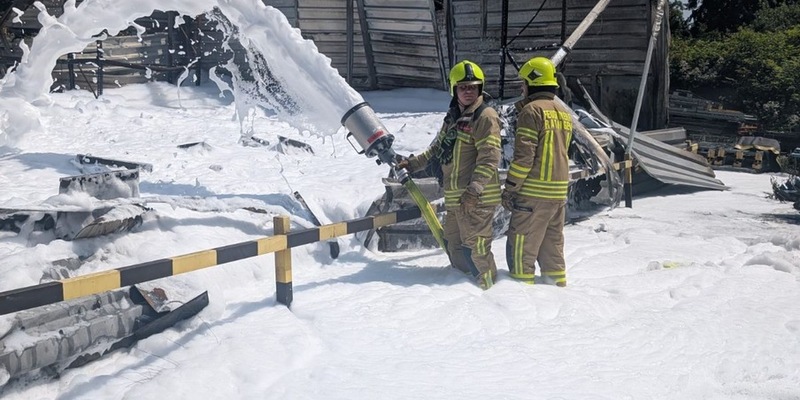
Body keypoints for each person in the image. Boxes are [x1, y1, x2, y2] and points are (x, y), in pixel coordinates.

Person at [396, 60, 502, 290]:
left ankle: (492, 294)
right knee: (455, 246)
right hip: (456, 199)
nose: (468, 91)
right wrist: (413, 164)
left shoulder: (485, 116)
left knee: (476, 249)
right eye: (463, 87)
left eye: (473, 87)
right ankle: (464, 290)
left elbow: (490, 157)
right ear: (454, 89)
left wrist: (474, 190)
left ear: (480, 88)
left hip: (476, 199)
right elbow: (437, 149)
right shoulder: (454, 117)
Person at [502, 56, 572, 287]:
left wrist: (511, 188)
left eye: (523, 83)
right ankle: (557, 290)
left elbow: (524, 158)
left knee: (522, 250)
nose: (521, 88)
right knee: (552, 248)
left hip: (533, 195)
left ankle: (521, 301)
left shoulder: (531, 111)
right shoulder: (563, 113)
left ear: (532, 82)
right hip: (558, 194)